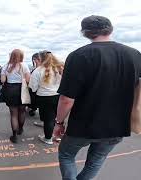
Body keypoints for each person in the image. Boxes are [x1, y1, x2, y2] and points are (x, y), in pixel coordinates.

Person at [53, 15, 141, 180]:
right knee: (96, 160)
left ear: (85, 33)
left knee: (66, 154)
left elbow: (67, 99)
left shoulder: (78, 56)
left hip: (83, 124)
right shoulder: (135, 55)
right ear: (110, 29)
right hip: (118, 124)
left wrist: (59, 122)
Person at [28, 50, 64, 145]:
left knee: (48, 119)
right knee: (58, 118)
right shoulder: (59, 68)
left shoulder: (38, 71)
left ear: (41, 59)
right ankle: (58, 136)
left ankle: (48, 138)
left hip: (44, 97)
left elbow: (33, 87)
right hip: (58, 96)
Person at [1, 49, 30, 143]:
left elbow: (2, 80)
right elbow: (28, 79)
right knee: (22, 111)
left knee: (13, 114)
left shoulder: (6, 66)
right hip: (21, 90)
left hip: (10, 90)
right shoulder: (24, 66)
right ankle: (20, 129)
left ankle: (14, 136)